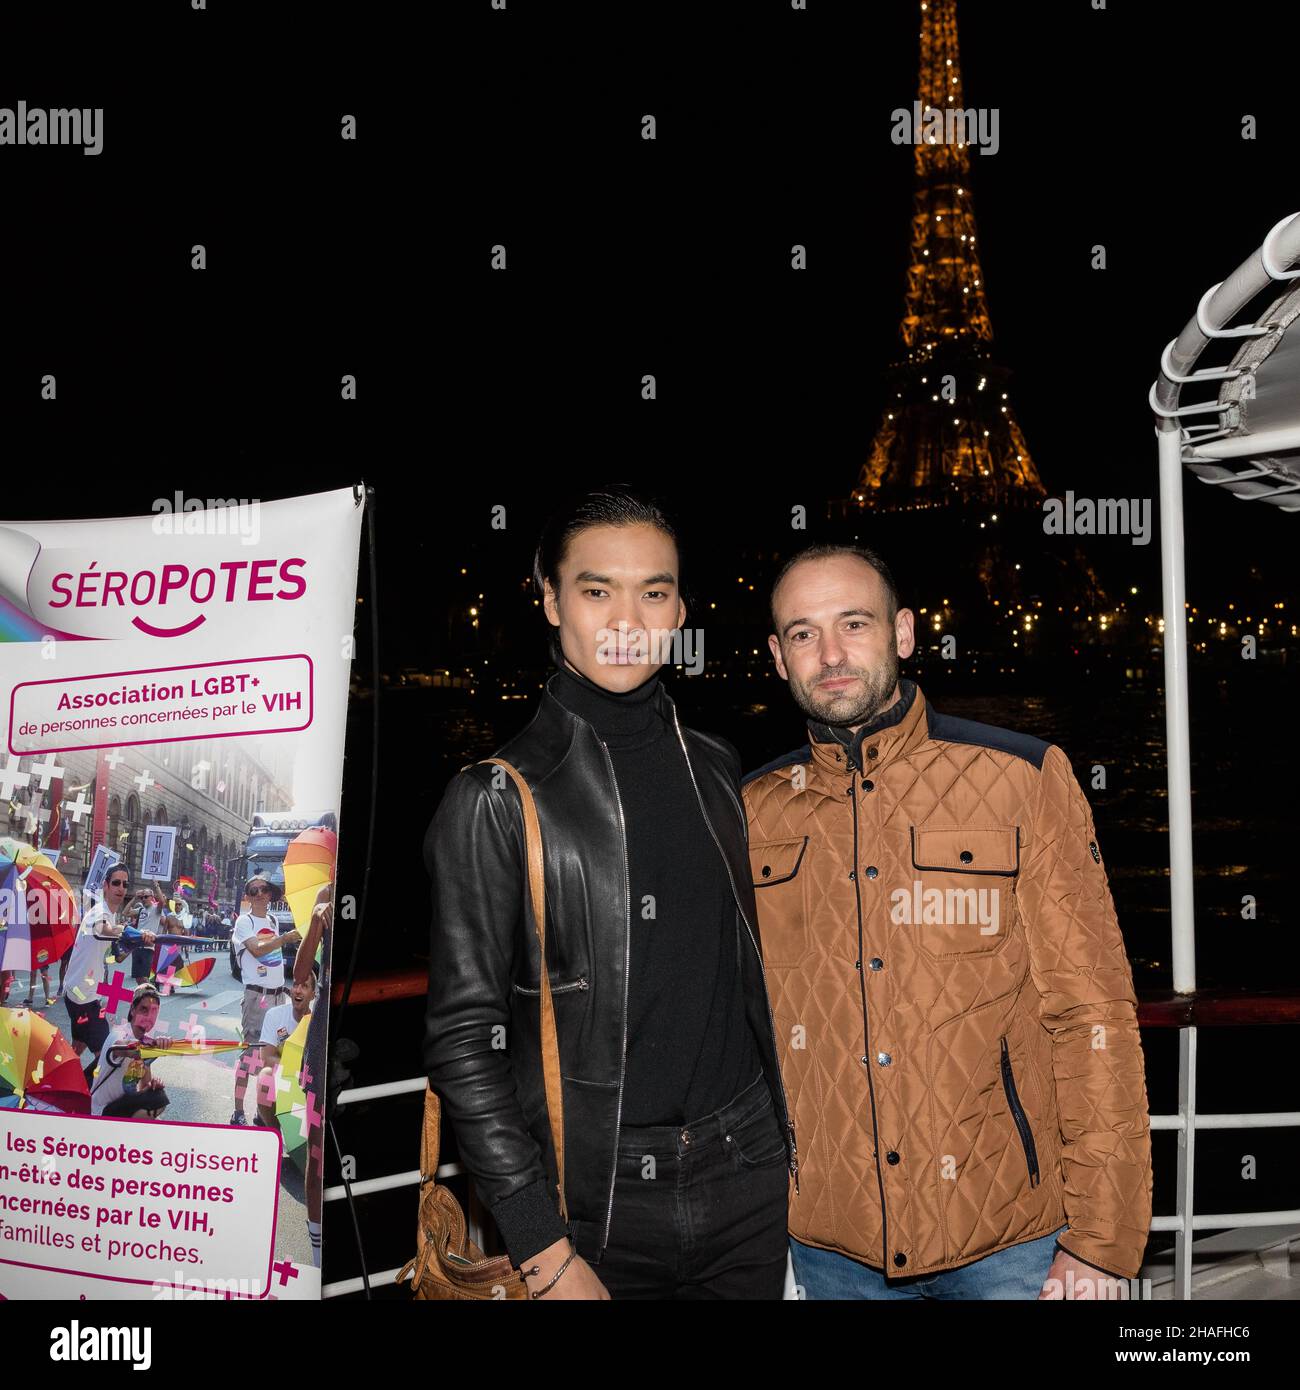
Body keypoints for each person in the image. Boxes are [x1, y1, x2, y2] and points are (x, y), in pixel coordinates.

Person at [742, 543, 1153, 1300]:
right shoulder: (750, 810)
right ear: (777, 657)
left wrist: (1101, 1240)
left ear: (902, 633)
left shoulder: (1022, 777)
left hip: (1010, 1243)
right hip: (832, 1250)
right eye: (803, 633)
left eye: (853, 623)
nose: (830, 654)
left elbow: (1092, 1014)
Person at [425, 488, 795, 1300]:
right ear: (552, 601)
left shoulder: (716, 766)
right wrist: (542, 1248)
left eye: (653, 592)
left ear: (681, 609)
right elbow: (462, 1039)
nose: (628, 618)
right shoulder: (496, 797)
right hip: (598, 1205)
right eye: (598, 591)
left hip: (751, 1173)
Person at [63, 868, 156, 1087]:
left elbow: (117, 956)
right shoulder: (99, 912)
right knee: (107, 1054)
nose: (121, 888)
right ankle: (82, 1090)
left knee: (77, 1047)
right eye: (116, 883)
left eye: (125, 884)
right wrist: (129, 932)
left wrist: (137, 942)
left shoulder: (110, 914)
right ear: (105, 886)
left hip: (81, 993)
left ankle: (61, 1083)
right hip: (82, 997)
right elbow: (102, 929)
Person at [229, 875, 300, 1126]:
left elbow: (272, 956)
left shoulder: (271, 920)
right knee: (250, 1054)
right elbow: (257, 949)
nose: (260, 893)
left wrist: (285, 990)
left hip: (278, 996)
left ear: (270, 895)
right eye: (254, 890)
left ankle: (263, 1111)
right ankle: (238, 1112)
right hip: (257, 996)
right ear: (247, 896)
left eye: (264, 889)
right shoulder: (244, 922)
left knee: (273, 1054)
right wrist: (285, 939)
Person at [90, 983, 173, 1118]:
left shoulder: (146, 1042)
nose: (148, 1016)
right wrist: (150, 1047)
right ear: (133, 1010)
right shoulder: (120, 1033)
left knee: (158, 1096)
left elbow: (144, 1087)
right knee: (157, 1101)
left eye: (153, 1011)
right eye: (143, 1009)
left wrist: (153, 1085)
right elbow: (121, 1046)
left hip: (121, 1104)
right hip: (101, 1110)